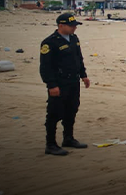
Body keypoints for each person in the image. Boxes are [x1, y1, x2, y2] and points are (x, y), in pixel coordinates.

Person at [40, 13, 90, 156]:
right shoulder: (50, 43)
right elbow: (45, 67)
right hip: (59, 83)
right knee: (54, 113)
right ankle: (50, 144)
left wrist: (84, 75)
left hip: (74, 81)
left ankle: (68, 138)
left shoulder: (74, 39)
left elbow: (78, 59)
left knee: (71, 110)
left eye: (75, 25)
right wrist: (51, 85)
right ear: (61, 26)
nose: (74, 28)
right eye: (71, 25)